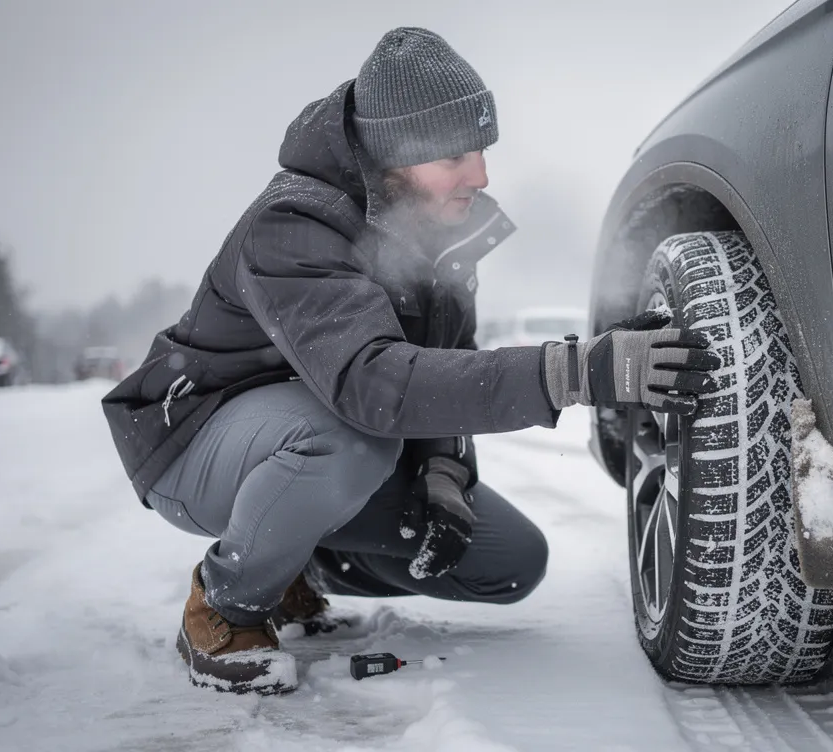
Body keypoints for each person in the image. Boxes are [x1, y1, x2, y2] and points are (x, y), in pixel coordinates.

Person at [102, 27, 719, 695]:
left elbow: (445, 363)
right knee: (349, 437)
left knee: (510, 561)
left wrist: (444, 475)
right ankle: (224, 609)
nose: (479, 174)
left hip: (313, 441)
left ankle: (293, 563)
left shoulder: (435, 234)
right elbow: (375, 384)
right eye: (454, 155)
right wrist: (576, 371)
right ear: (394, 156)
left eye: (481, 149)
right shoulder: (295, 225)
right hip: (195, 443)